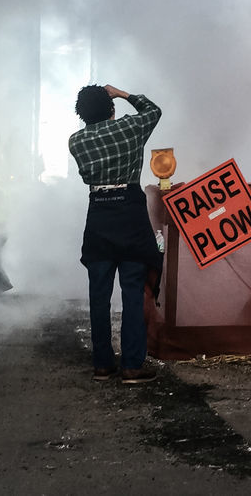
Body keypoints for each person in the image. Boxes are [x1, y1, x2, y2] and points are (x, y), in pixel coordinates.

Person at [68, 84, 162, 385]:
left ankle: (102, 365)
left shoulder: (77, 141)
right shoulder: (130, 129)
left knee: (99, 294)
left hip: (98, 214)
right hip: (130, 213)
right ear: (111, 110)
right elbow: (153, 111)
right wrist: (121, 94)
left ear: (81, 114)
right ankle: (133, 366)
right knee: (132, 291)